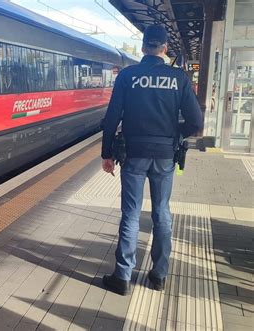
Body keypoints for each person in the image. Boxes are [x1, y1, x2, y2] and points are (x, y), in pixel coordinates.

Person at [101, 25, 203, 295]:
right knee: (161, 212)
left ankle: (122, 277)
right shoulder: (178, 77)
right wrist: (174, 133)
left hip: (132, 154)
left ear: (144, 47)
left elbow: (112, 118)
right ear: (165, 48)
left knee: (131, 214)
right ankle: (159, 275)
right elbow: (196, 122)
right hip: (164, 156)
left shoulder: (128, 76)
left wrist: (106, 153)